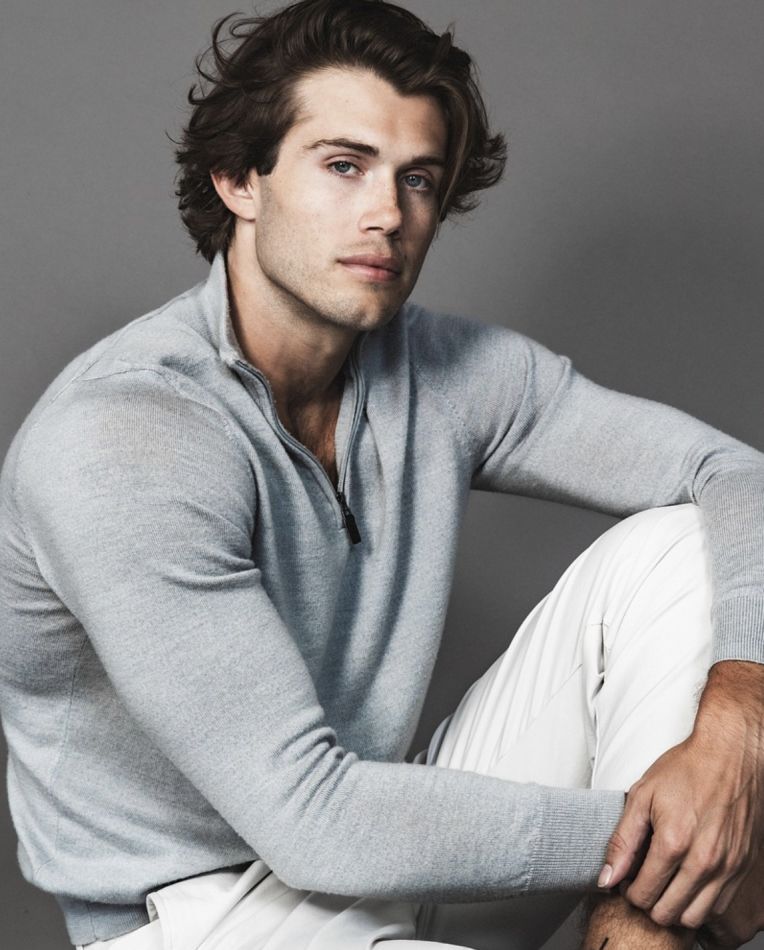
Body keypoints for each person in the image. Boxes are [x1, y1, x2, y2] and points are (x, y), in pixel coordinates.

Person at [0, 1, 762, 948]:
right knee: (690, 845)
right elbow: (314, 821)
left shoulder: (445, 371)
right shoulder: (124, 437)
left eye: (418, 179)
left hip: (392, 850)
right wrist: (684, 838)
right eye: (343, 165)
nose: (387, 214)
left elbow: (731, 474)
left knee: (679, 548)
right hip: (207, 916)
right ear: (239, 179)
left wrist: (741, 721)